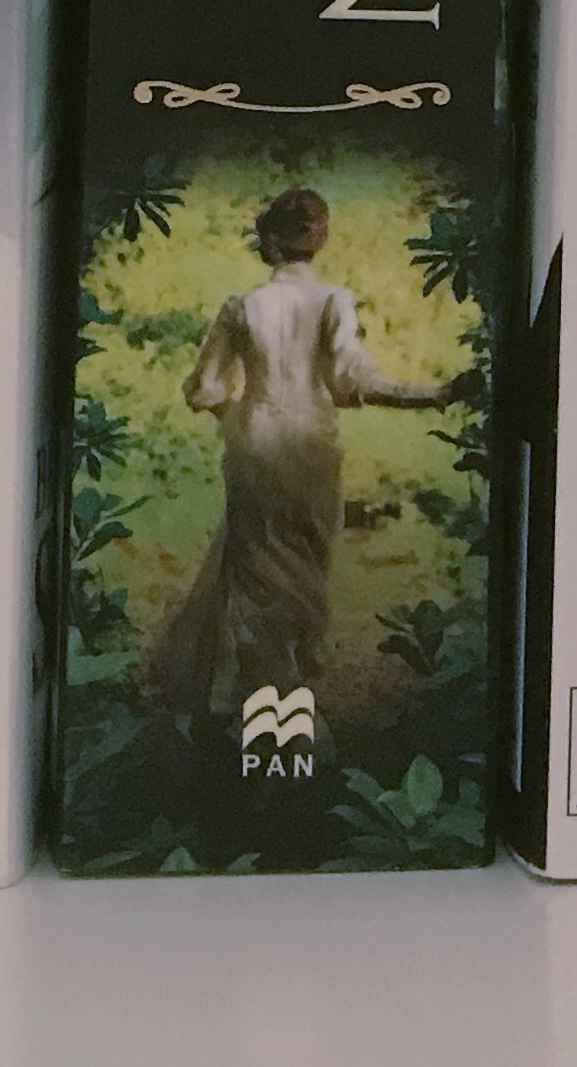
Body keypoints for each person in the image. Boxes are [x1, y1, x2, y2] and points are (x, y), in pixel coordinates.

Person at [146, 186, 462, 723]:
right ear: (319, 236)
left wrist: (236, 416)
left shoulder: (242, 306)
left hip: (255, 443)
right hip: (312, 447)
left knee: (254, 567)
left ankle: (253, 699)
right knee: (305, 565)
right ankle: (285, 689)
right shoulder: (332, 301)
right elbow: (351, 381)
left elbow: (201, 388)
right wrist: (434, 394)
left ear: (272, 240)